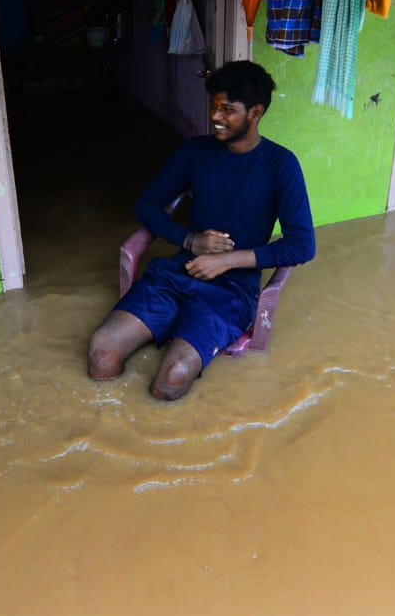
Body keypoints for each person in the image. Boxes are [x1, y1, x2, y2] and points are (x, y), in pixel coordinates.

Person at [88, 60, 315, 401]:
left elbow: (301, 246)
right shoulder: (196, 152)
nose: (216, 117)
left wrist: (227, 261)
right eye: (213, 107)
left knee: (171, 380)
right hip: (176, 274)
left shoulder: (281, 165)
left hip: (232, 293)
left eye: (227, 110)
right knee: (101, 355)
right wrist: (189, 240)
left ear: (255, 112)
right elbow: (146, 205)